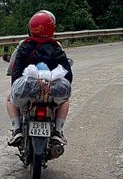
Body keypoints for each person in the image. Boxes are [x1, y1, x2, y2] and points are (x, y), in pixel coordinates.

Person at [6, 10, 73, 147]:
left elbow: (16, 73)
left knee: (9, 99)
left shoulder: (24, 46)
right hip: (51, 91)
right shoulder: (56, 47)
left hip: (28, 91)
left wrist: (16, 88)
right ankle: (58, 132)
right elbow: (67, 74)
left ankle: (17, 129)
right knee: (65, 101)